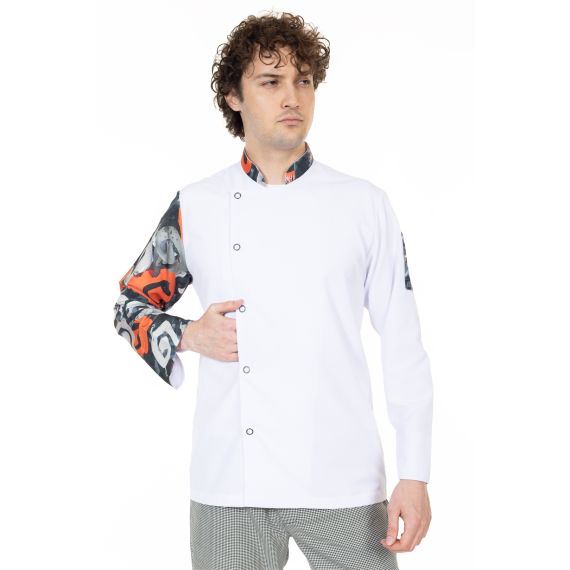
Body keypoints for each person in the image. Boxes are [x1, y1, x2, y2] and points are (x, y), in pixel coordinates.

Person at [113, 10, 433, 570]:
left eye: (303, 80)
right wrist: (188, 334)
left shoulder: (364, 205)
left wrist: (415, 472)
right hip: (231, 483)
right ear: (234, 97)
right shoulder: (198, 205)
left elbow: (404, 343)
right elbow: (129, 305)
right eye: (270, 81)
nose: (292, 97)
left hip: (342, 479)